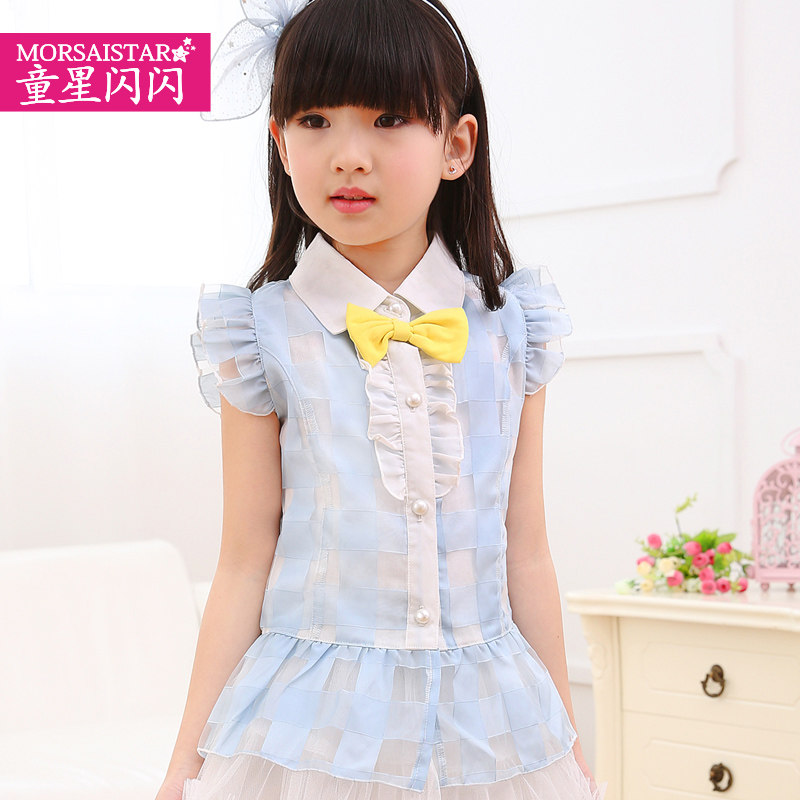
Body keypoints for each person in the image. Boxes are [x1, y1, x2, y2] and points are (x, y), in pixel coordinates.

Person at [157, 0, 607, 797]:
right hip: (312, 727)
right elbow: (243, 560)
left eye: (388, 118)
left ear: (456, 146)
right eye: (315, 121)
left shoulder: (513, 330)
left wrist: (565, 744)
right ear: (281, 144)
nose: (347, 156)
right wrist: (182, 768)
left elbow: (526, 549)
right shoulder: (257, 334)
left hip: (489, 720)